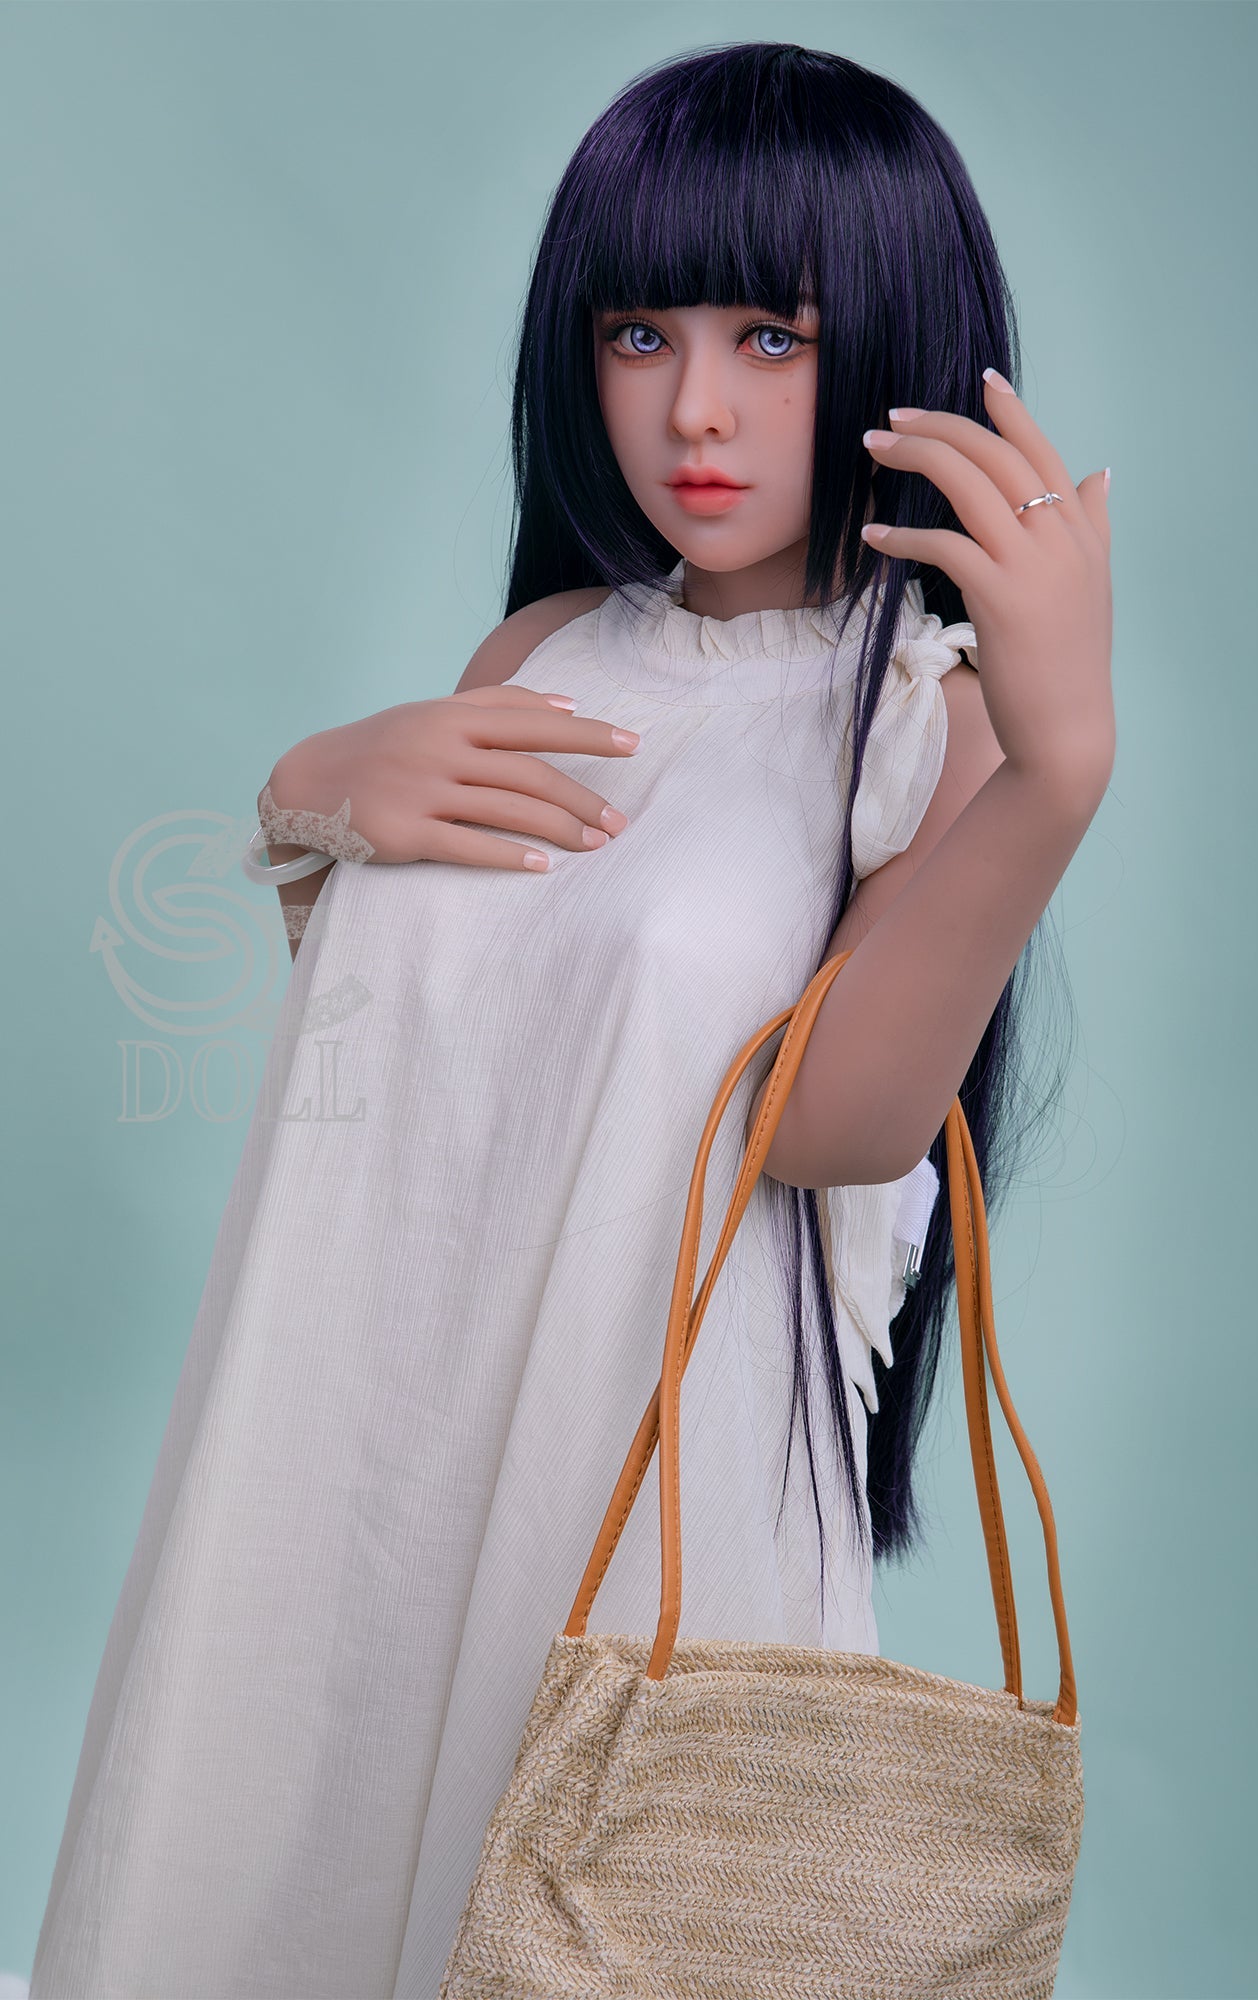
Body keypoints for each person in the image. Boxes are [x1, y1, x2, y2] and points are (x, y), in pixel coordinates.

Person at [29, 40, 1113, 2000]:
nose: (692, 407)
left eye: (770, 338)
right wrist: (307, 801)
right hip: (354, 1448)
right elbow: (443, 1045)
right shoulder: (543, 655)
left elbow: (833, 1126)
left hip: (630, 1494)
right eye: (637, 333)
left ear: (889, 341)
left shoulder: (915, 724)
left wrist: (1055, 773)